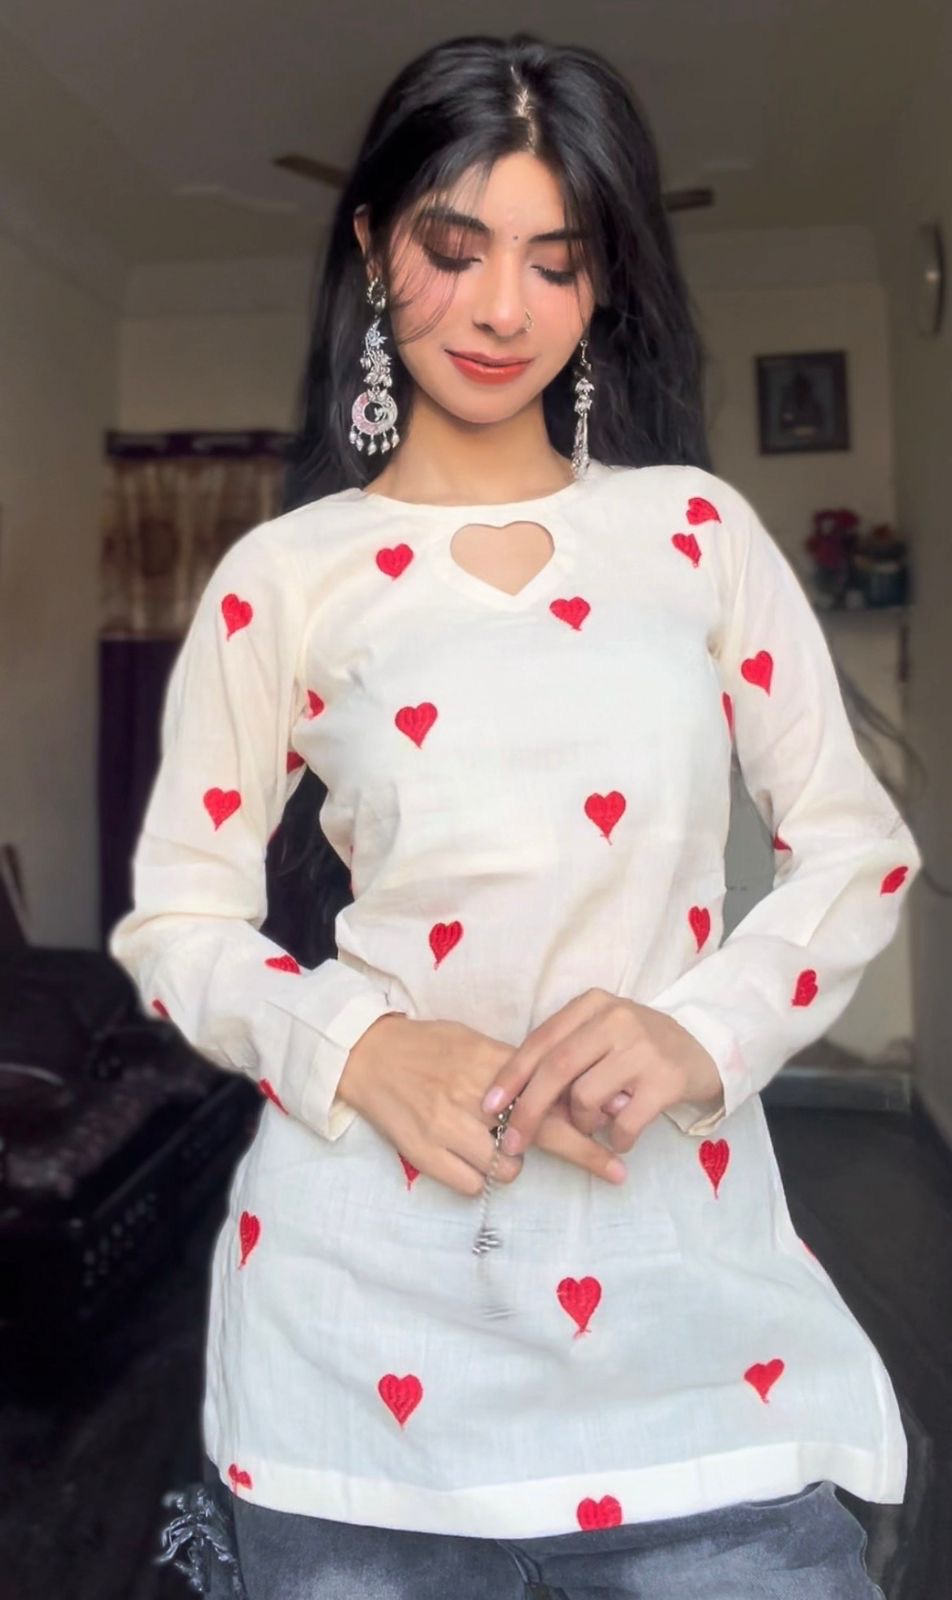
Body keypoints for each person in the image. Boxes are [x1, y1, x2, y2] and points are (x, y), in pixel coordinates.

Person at [109, 30, 920, 1600]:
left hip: (685, 1309)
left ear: (604, 281)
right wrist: (358, 1046)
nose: (502, 309)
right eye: (455, 246)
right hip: (357, 1322)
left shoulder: (695, 535)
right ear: (374, 247)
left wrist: (700, 1030)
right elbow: (177, 918)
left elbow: (854, 845)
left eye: (559, 260)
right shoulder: (288, 577)